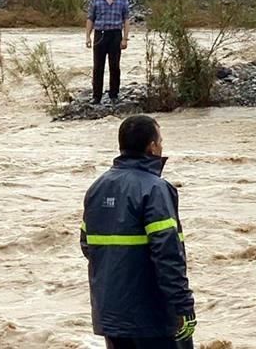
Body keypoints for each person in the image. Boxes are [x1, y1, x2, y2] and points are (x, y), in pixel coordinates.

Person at [80, 115, 196, 349]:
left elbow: (86, 245)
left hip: (111, 315)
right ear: (152, 147)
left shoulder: (97, 187)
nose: (162, 146)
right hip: (152, 318)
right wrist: (183, 306)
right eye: (160, 140)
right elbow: (168, 254)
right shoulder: (156, 189)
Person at [86, 0, 131, 105]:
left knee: (115, 66)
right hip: (100, 34)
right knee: (98, 67)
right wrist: (88, 36)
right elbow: (90, 18)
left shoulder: (122, 0)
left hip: (116, 35)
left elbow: (126, 20)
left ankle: (114, 95)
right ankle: (96, 96)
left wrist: (125, 39)